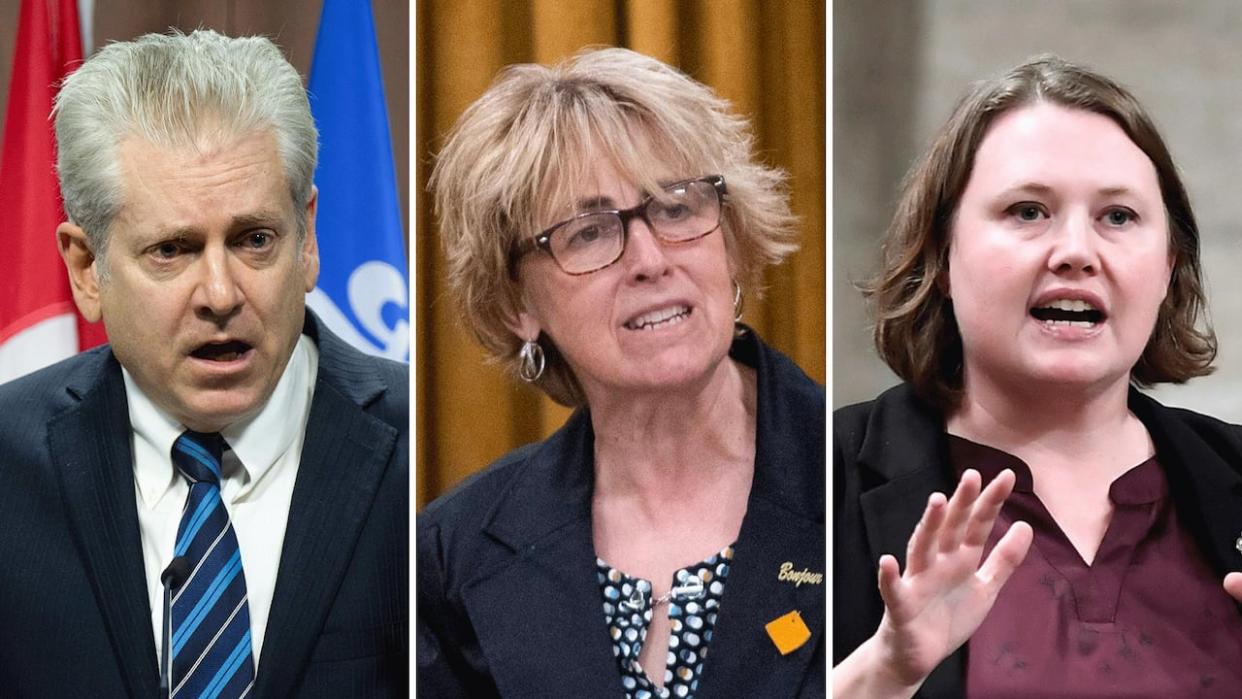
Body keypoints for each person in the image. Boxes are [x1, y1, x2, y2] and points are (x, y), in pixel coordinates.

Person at [0, 30, 408, 697]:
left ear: (306, 240)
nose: (220, 294)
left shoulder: (419, 455)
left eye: (254, 240)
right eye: (171, 250)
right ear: (86, 269)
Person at [418, 48, 824, 698]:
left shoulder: (864, 481)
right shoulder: (449, 556)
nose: (648, 258)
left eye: (676, 206)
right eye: (588, 232)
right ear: (518, 305)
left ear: (731, 239)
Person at [834, 55, 1242, 698]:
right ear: (942, 256)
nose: (1077, 251)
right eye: (1028, 211)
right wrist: (882, 675)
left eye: (1118, 217)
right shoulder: (815, 476)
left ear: (1167, 266)